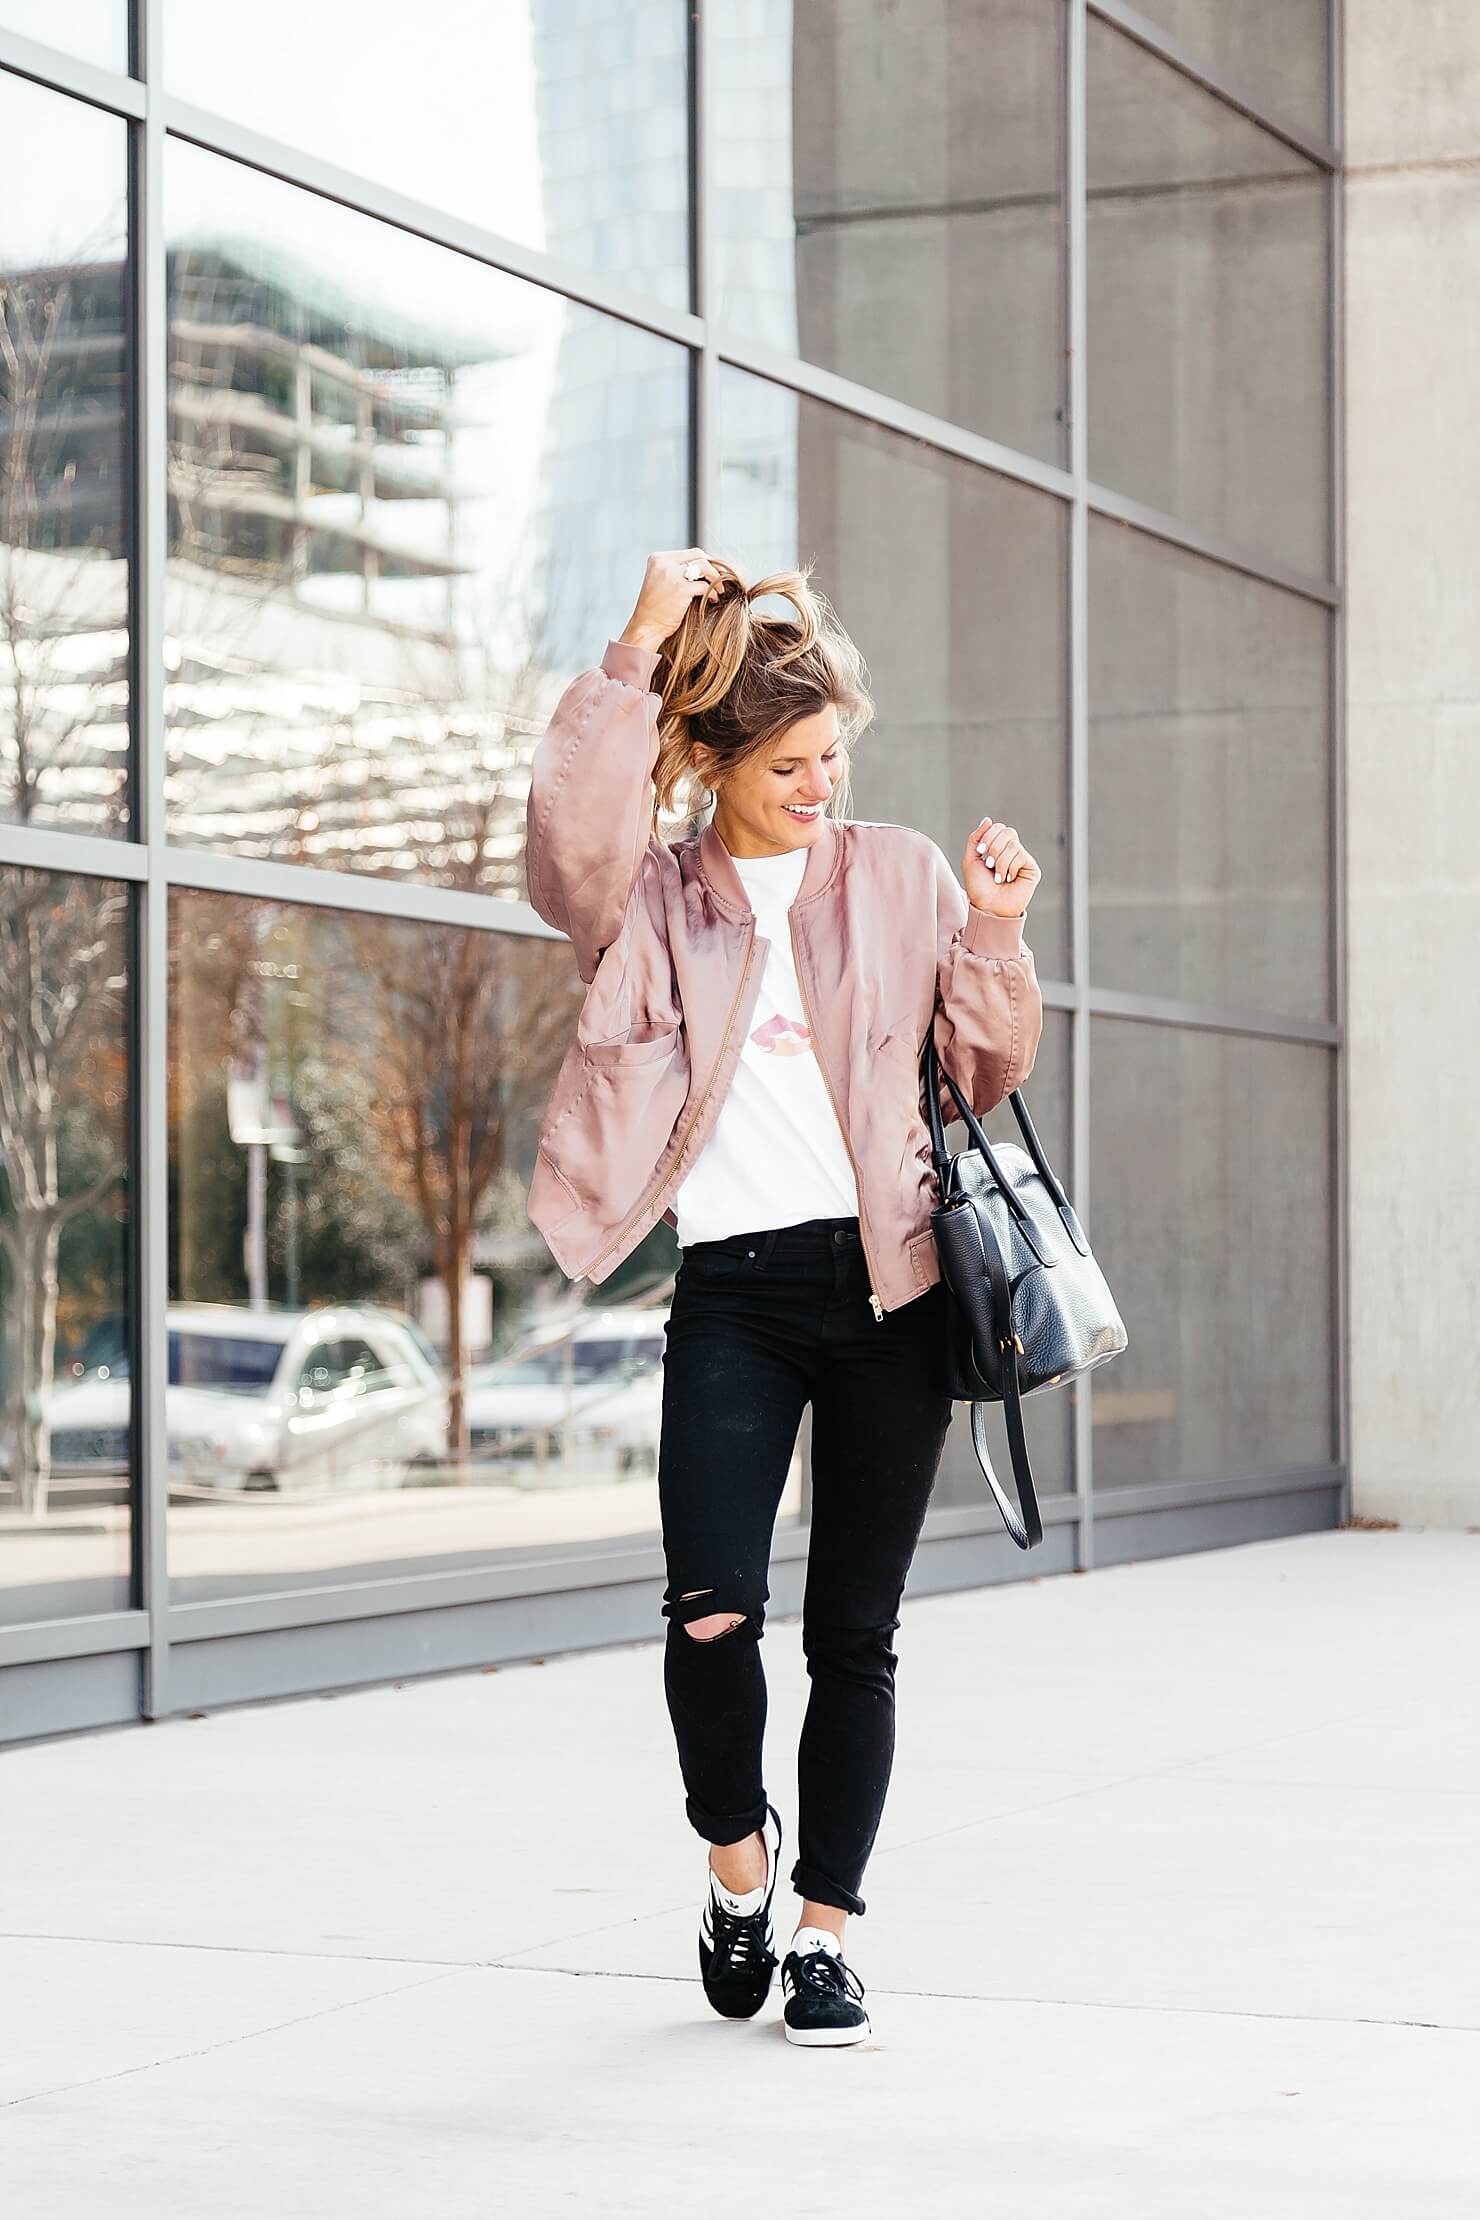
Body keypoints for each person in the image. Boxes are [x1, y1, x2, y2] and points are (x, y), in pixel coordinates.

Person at [524, 549, 1043, 2046]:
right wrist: (632, 643)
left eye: (836, 759)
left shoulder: (896, 874)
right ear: (716, 763)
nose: (824, 784)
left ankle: (822, 1930)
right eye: (795, 763)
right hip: (735, 1302)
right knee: (707, 1615)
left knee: (856, 1637)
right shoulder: (655, 902)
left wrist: (995, 930)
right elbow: (566, 854)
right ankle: (736, 1872)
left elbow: (984, 1071)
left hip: (886, 1292)